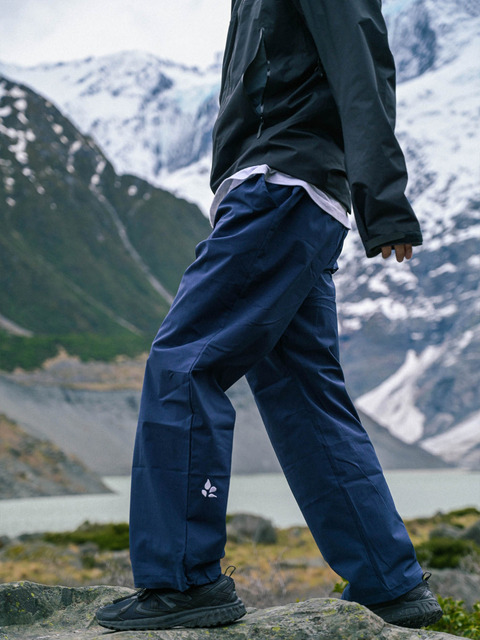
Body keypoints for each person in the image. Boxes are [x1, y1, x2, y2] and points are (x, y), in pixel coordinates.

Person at [96, 0, 443, 631]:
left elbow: (361, 63)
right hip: (285, 193)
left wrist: (385, 202)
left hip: (279, 188)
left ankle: (183, 580)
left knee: (184, 364)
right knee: (304, 398)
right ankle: (388, 583)